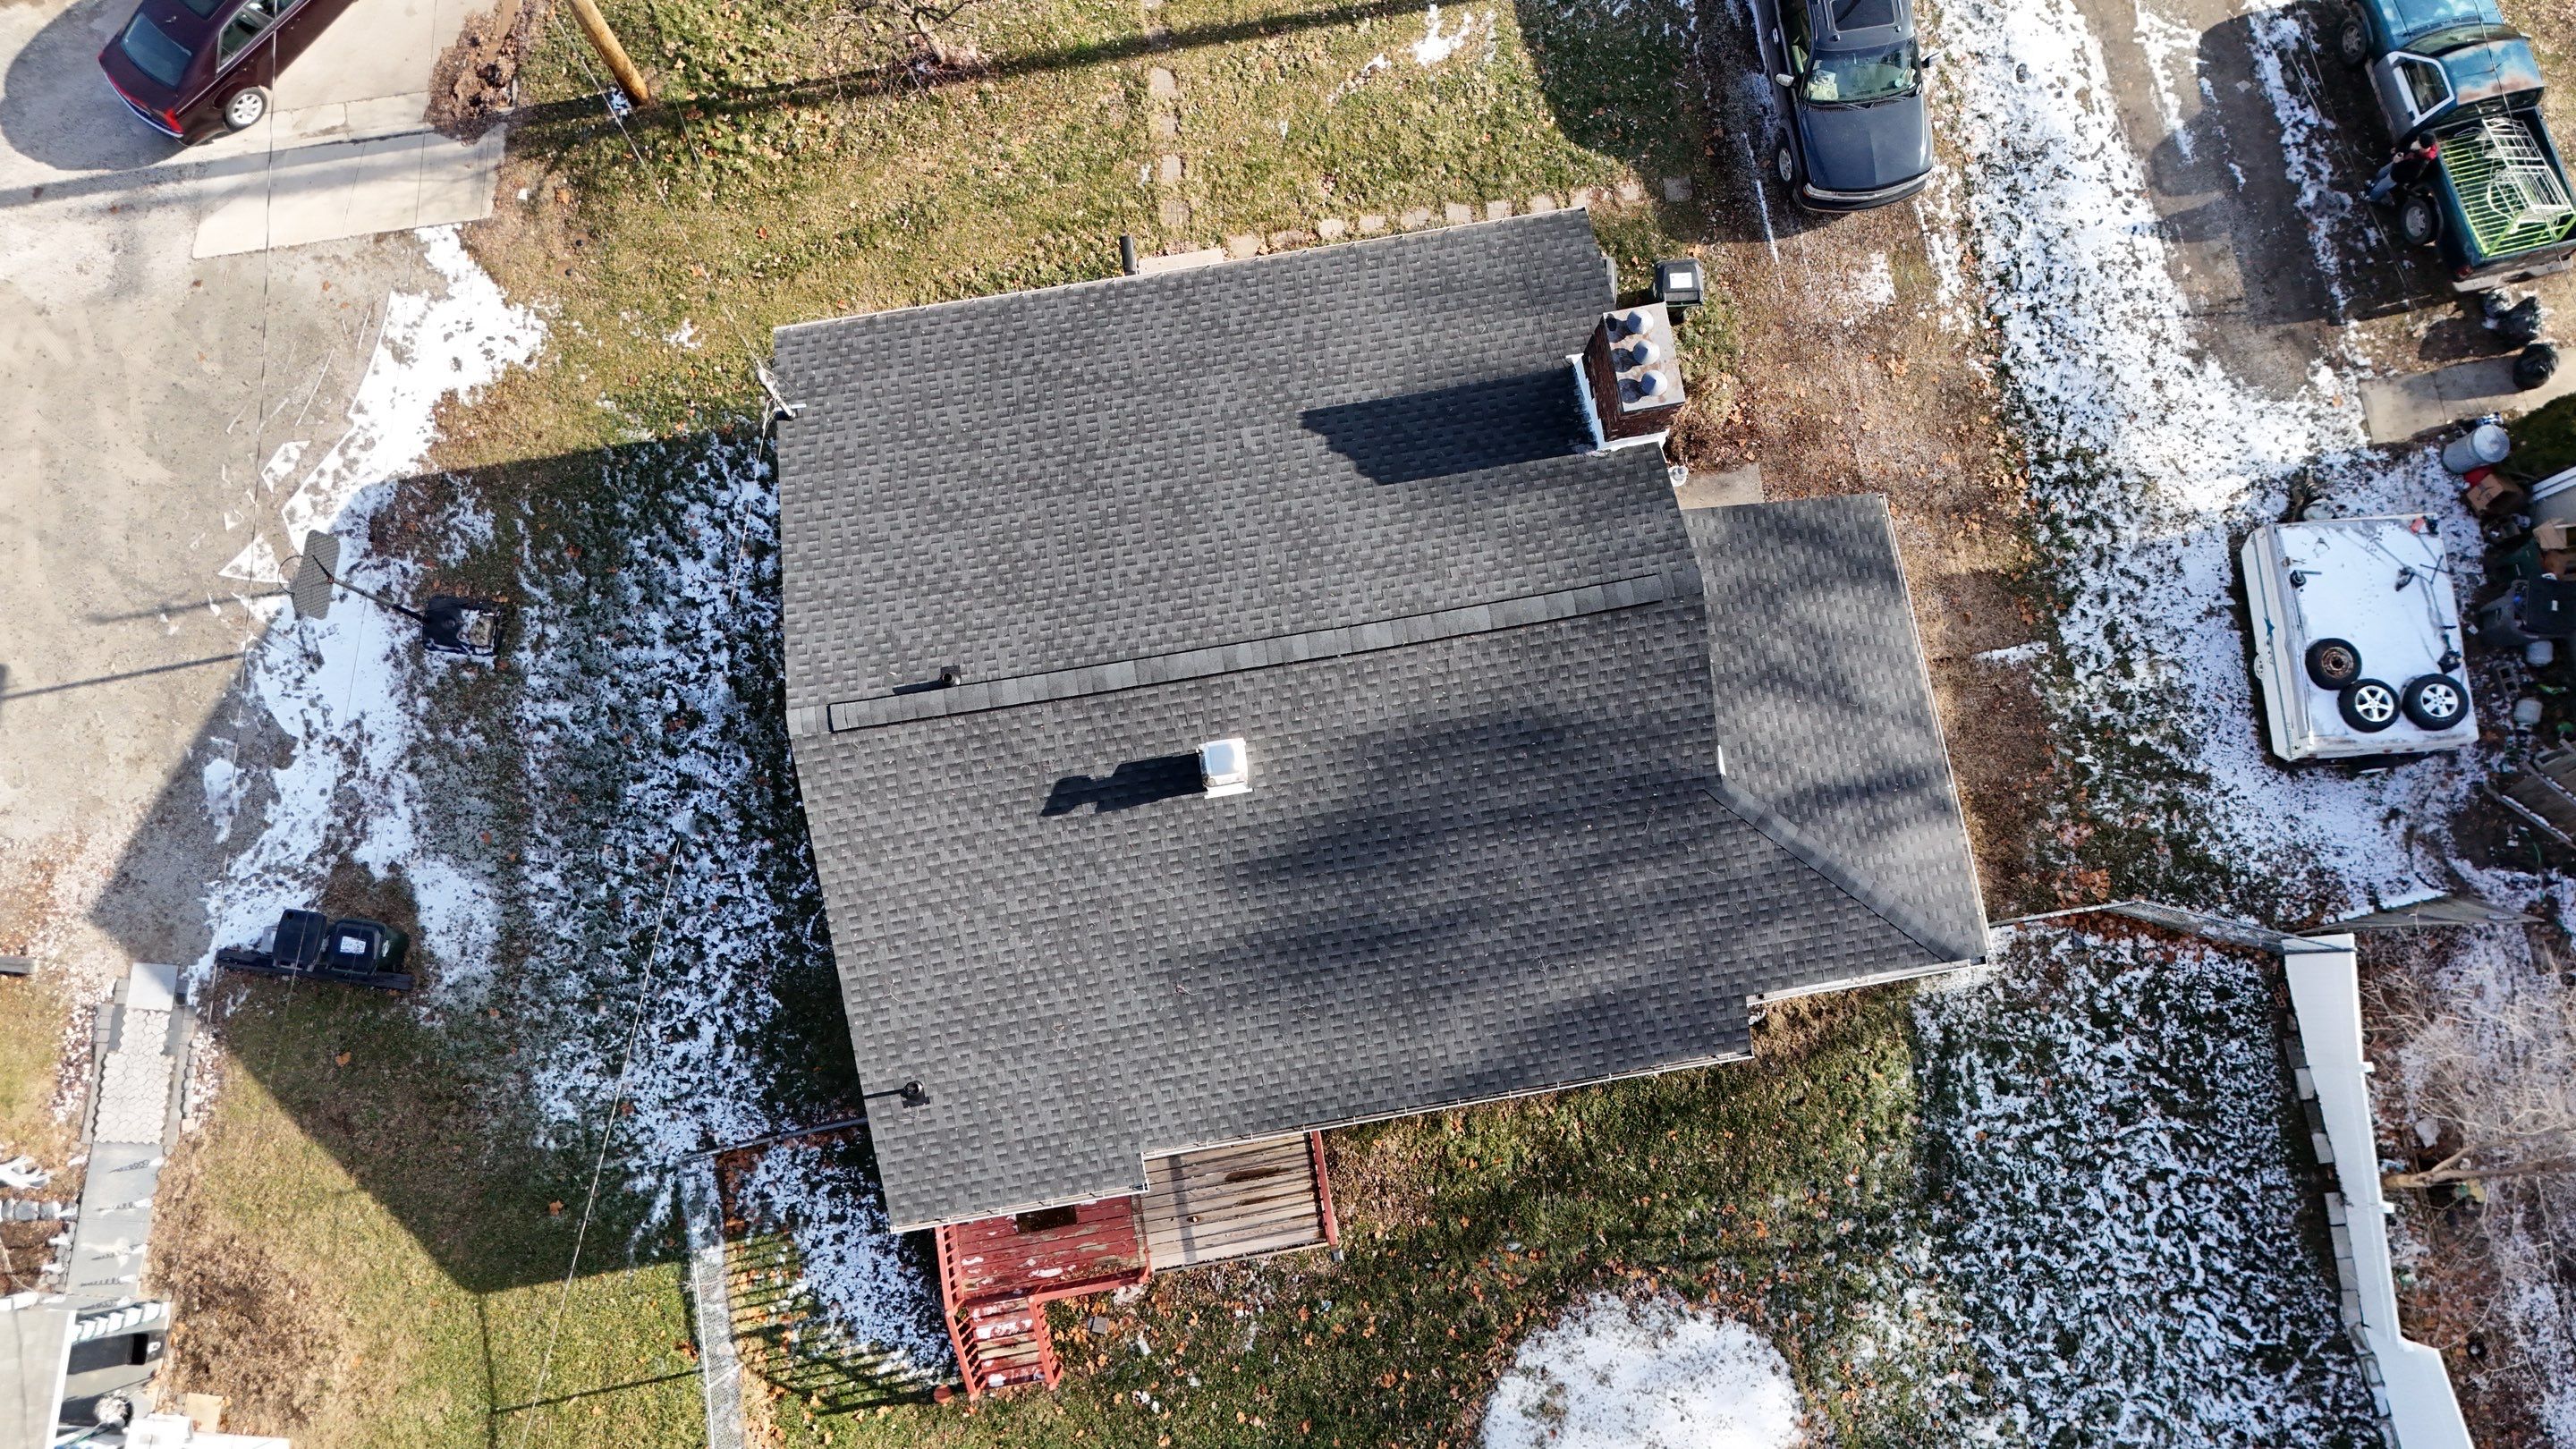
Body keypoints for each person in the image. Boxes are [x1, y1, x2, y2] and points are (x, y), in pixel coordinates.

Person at [2365, 138, 2440, 205]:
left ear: (2423, 146)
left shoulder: (2421, 162)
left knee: (2381, 187)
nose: (2416, 141)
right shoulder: (2418, 149)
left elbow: (2410, 174)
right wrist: (2398, 150)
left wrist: (2397, 163)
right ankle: (2374, 183)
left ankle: (2372, 198)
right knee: (2381, 173)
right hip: (2397, 164)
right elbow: (2408, 149)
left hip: (2396, 175)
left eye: (2419, 141)